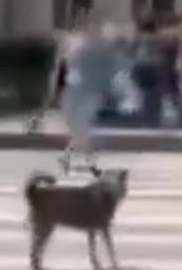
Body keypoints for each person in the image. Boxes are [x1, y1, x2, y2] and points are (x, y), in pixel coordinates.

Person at [58, 22, 136, 173]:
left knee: (79, 130)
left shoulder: (103, 54)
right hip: (83, 96)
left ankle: (86, 160)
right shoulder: (90, 53)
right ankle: (75, 159)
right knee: (78, 130)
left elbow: (116, 75)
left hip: (88, 97)